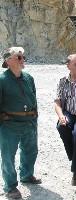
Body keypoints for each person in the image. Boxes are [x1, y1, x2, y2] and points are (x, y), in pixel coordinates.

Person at [0, 47, 41, 199]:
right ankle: (10, 187)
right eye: (19, 57)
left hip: (29, 123)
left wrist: (34, 120)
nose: (23, 60)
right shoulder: (2, 80)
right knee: (8, 157)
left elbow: (34, 100)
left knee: (31, 151)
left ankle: (26, 175)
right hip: (9, 125)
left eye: (23, 57)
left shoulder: (29, 78)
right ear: (8, 61)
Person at [54, 54, 76, 186]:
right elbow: (57, 102)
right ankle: (75, 157)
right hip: (68, 112)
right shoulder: (63, 81)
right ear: (68, 66)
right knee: (61, 127)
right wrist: (61, 116)